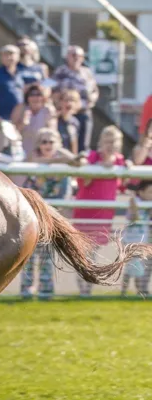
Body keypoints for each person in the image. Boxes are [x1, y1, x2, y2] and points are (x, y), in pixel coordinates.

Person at [19, 128, 82, 299]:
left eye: (51, 141)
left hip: (54, 216)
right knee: (29, 255)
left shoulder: (62, 161)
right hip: (33, 215)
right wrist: (59, 157)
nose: (47, 145)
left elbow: (76, 161)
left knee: (48, 255)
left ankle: (46, 290)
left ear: (59, 144)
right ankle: (26, 289)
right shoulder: (33, 160)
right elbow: (32, 160)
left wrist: (60, 154)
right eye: (44, 142)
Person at [73, 126, 127, 297]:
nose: (110, 144)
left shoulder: (120, 160)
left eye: (114, 141)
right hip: (86, 211)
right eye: (107, 141)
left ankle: (87, 287)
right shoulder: (92, 157)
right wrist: (98, 167)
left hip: (104, 213)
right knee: (84, 251)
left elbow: (124, 184)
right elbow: (85, 182)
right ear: (100, 142)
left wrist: (127, 167)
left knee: (94, 251)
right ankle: (83, 287)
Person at [53, 45, 98, 153]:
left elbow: (95, 89)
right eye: (73, 55)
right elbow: (53, 90)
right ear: (67, 56)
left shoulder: (87, 72)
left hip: (83, 111)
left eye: (79, 56)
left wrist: (93, 99)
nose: (76, 58)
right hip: (66, 111)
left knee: (83, 141)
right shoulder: (61, 71)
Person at [11, 82, 57, 160]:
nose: (35, 98)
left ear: (43, 97)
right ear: (27, 97)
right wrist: (23, 123)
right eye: (32, 95)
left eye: (38, 94)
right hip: (23, 152)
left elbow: (52, 133)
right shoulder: (20, 108)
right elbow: (12, 134)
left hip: (42, 153)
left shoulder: (48, 110)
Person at [121, 181, 152, 297]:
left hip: (142, 241)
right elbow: (134, 218)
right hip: (130, 241)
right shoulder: (135, 202)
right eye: (150, 192)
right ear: (141, 192)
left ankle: (138, 292)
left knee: (138, 267)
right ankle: (125, 292)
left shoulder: (148, 204)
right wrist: (133, 204)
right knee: (130, 268)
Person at [0, 44, 23, 127]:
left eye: (11, 54)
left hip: (17, 122)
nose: (9, 57)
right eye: (5, 55)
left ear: (18, 56)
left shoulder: (21, 74)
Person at [56, 88, 81, 154]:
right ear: (60, 102)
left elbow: (74, 145)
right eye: (66, 100)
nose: (69, 103)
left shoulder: (75, 122)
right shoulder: (54, 119)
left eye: (72, 100)